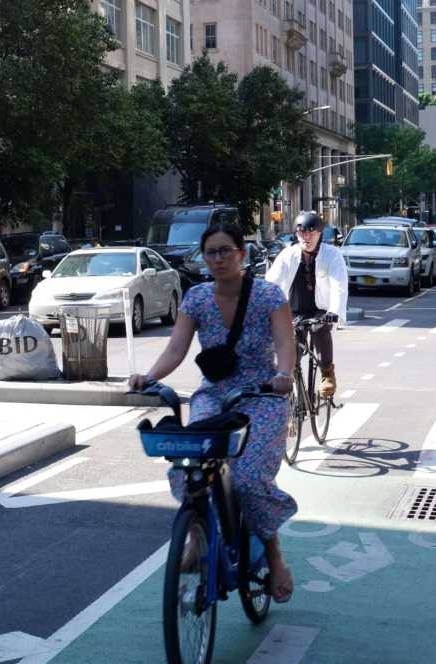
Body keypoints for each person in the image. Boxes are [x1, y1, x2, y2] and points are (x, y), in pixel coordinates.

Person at [128, 223, 298, 603]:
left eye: (225, 251)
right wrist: (149, 377)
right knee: (190, 464)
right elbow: (175, 350)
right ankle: (194, 535)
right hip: (213, 395)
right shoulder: (196, 298)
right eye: (211, 253)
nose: (218, 259)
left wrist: (283, 375)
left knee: (250, 479)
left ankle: (275, 557)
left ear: (242, 253)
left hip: (261, 394)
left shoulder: (269, 296)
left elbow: (287, 341)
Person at [264, 211, 348, 398]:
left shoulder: (332, 255)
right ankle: (292, 387)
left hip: (320, 309)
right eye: (302, 233)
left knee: (320, 329)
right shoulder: (288, 255)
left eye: (311, 232)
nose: (306, 237)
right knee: (290, 345)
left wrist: (334, 311)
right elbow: (271, 283)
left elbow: (338, 286)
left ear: (320, 234)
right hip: (293, 310)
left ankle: (327, 373)